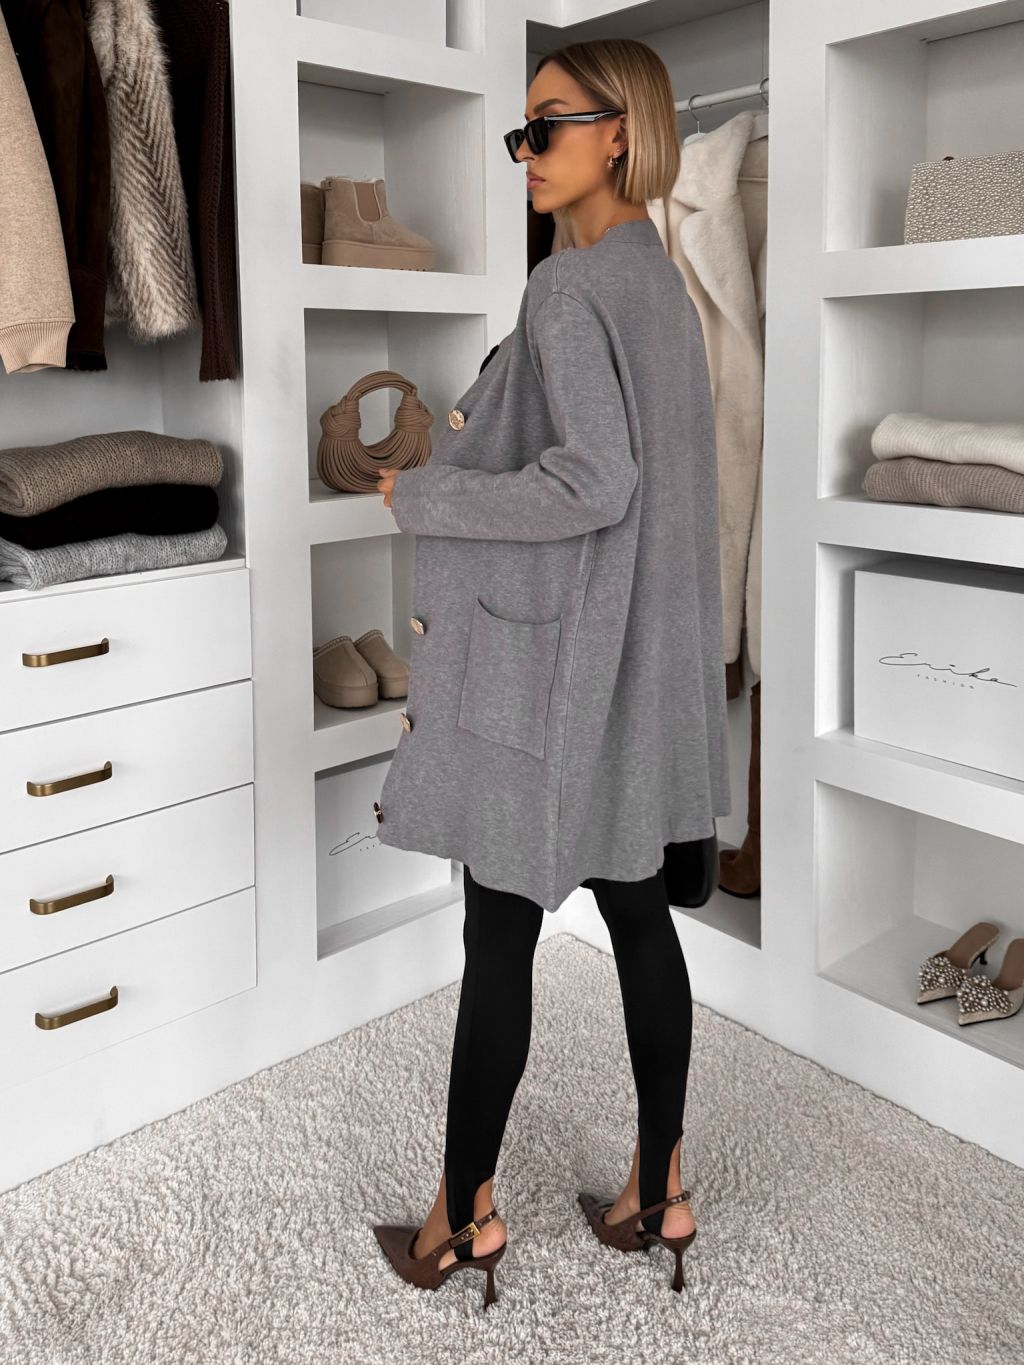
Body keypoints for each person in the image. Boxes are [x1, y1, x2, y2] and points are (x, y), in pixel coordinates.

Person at [371, 36, 729, 1306]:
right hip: (644, 669)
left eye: (547, 125)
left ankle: (458, 1218)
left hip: (562, 676)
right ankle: (660, 1190)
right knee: (638, 923)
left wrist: (422, 495)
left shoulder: (569, 290)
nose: (525, 152)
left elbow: (594, 484)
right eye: (519, 132)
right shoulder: (661, 286)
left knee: (499, 937)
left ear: (619, 130)